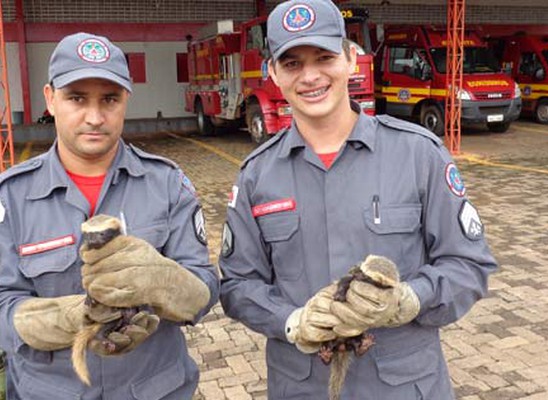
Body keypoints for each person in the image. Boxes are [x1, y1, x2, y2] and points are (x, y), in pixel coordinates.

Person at [218, 0, 498, 399]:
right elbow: (238, 285)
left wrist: (410, 298)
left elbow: (468, 264)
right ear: (273, 74)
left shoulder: (418, 154)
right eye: (292, 63)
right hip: (303, 387)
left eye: (324, 57)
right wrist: (291, 321)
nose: (310, 76)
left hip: (402, 386)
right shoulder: (256, 175)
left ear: (352, 60)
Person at [0, 32, 219, 399]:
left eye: (110, 99)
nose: (95, 116)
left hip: (157, 390)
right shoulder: (11, 196)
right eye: (77, 98)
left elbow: (204, 290)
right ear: (50, 99)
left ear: (125, 101)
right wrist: (68, 318)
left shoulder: (167, 183)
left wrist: (163, 281)